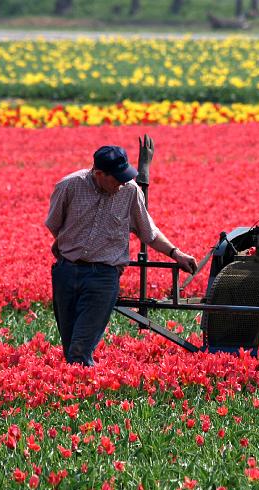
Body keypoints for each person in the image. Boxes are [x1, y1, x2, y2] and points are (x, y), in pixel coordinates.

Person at [45, 135, 197, 366]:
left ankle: (86, 391)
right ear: (99, 174)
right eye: (116, 178)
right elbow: (54, 224)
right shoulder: (69, 186)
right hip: (67, 272)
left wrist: (176, 253)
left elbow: (150, 233)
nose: (122, 182)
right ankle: (80, 390)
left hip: (104, 277)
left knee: (79, 349)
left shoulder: (129, 191)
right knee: (71, 349)